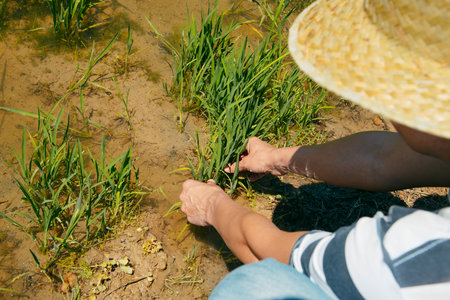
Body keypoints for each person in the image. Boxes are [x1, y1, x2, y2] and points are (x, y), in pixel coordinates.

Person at [179, 0, 450, 299]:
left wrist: (213, 206)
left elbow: (280, 260)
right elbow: (380, 160)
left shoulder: (413, 254)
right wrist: (275, 159)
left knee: (248, 288)